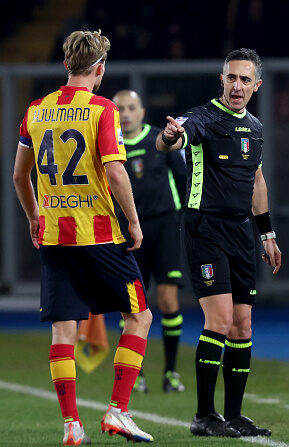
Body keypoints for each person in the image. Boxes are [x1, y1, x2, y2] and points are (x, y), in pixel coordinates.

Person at [13, 30, 153, 444]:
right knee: (139, 315)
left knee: (63, 330)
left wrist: (34, 215)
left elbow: (20, 175)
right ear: (100, 69)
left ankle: (71, 426)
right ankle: (118, 412)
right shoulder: (102, 109)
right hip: (99, 235)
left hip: (54, 237)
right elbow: (114, 170)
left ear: (65, 66)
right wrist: (133, 222)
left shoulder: (35, 110)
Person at [155, 48, 281, 438]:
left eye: (245, 79)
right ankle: (204, 416)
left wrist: (267, 234)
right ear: (221, 80)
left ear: (256, 85)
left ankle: (235, 415)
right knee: (220, 321)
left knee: (243, 325)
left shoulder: (256, 128)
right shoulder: (202, 118)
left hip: (242, 232)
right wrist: (169, 134)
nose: (237, 85)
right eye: (231, 77)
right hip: (204, 229)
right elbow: (169, 142)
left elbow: (257, 182)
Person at [112, 90, 186, 393]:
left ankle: (170, 373)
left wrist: (183, 219)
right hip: (127, 232)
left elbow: (182, 178)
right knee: (130, 307)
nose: (126, 113)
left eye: (131, 108)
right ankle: (136, 374)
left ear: (142, 112)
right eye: (120, 109)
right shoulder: (109, 145)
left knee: (168, 300)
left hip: (165, 227)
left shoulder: (160, 140)